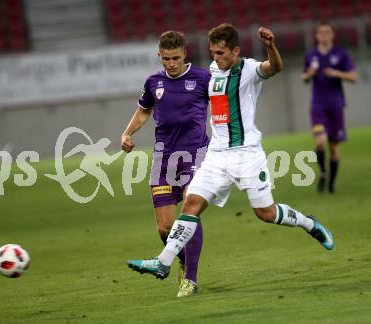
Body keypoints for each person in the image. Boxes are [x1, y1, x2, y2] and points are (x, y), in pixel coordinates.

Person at [127, 24, 334, 282]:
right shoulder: (211, 72)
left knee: (265, 213)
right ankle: (163, 262)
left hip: (247, 154)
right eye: (213, 52)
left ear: (236, 51)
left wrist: (270, 47)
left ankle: (309, 224)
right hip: (216, 154)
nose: (216, 58)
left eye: (221, 53)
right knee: (191, 205)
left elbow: (275, 67)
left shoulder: (249, 69)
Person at [121, 31, 211, 297]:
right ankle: (180, 259)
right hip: (164, 158)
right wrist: (127, 133)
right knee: (164, 227)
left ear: (185, 54)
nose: (171, 63)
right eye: (166, 59)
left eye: (176, 58)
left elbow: (221, 105)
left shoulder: (202, 78)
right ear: (159, 55)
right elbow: (143, 111)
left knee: (189, 211)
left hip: (195, 155)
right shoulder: (153, 82)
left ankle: (190, 279)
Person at [302, 22, 357, 193]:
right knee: (320, 141)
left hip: (336, 105)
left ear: (332, 35)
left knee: (334, 147)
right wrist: (309, 74)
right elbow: (304, 78)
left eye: (327, 32)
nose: (324, 35)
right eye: (321, 32)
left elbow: (353, 76)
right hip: (318, 105)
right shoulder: (311, 55)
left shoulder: (340, 54)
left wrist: (337, 73)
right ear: (317, 36)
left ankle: (331, 184)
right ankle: (323, 172)